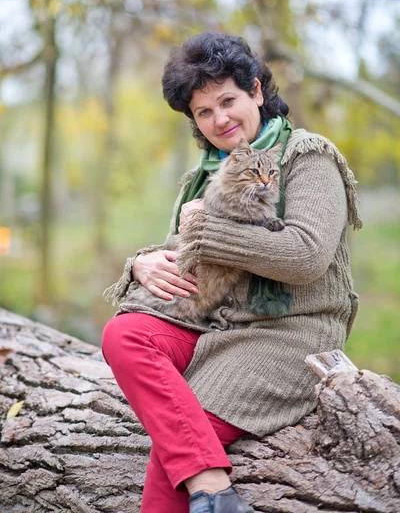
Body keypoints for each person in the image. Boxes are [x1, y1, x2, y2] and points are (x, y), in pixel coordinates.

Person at [101, 31, 362, 513]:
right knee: (124, 334)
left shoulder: (307, 156)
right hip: (211, 321)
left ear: (257, 92)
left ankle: (204, 486)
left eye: (228, 100)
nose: (219, 119)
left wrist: (205, 231)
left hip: (286, 333)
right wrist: (140, 263)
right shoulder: (202, 175)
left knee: (172, 452)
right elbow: (186, 250)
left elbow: (305, 255)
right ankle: (216, 489)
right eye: (203, 111)